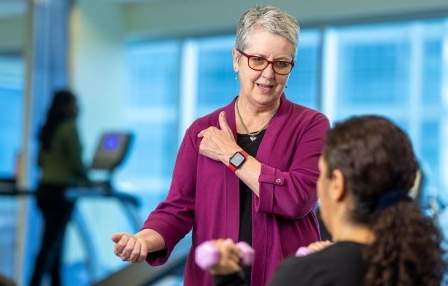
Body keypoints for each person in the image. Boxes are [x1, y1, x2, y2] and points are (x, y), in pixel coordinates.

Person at [112, 5, 329, 286]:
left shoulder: (311, 125)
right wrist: (144, 239)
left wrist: (231, 154)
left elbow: (298, 198)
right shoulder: (202, 131)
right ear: (237, 60)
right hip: (213, 278)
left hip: (285, 277)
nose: (268, 74)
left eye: (281, 63)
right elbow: (178, 209)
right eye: (257, 60)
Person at [209, 115, 445, 286]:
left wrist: (227, 277)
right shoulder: (419, 267)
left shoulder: (305, 274)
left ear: (338, 185)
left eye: (320, 174)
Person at [30, 89, 89, 286]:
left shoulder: (49, 128)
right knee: (50, 246)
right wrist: (88, 181)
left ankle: (55, 282)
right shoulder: (69, 128)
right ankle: (35, 282)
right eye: (74, 103)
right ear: (66, 106)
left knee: (53, 243)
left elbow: (40, 161)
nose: (78, 107)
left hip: (44, 190)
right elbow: (76, 163)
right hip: (61, 192)